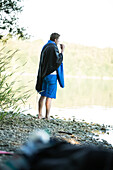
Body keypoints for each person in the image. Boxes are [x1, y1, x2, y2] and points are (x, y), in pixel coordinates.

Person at [36, 33, 65, 119]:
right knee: (49, 97)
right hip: (52, 76)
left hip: (44, 75)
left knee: (43, 95)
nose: (58, 42)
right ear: (55, 40)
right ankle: (47, 116)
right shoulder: (53, 47)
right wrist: (62, 51)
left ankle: (39, 114)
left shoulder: (45, 46)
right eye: (58, 40)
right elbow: (57, 61)